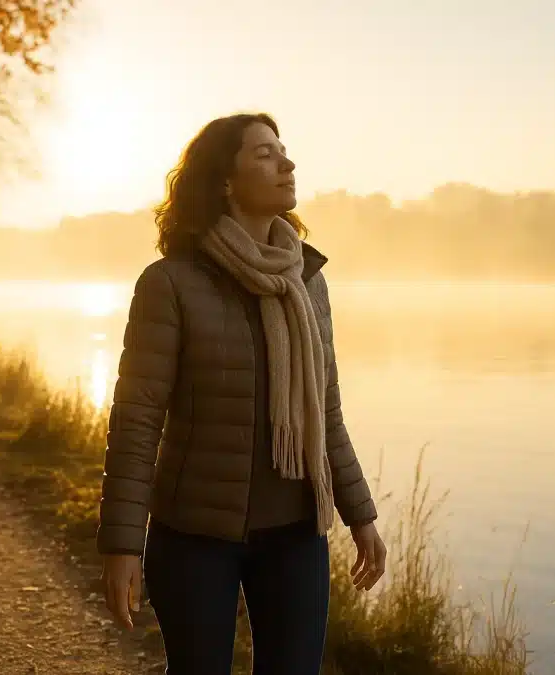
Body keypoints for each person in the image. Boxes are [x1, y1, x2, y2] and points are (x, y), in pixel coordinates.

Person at [97, 112, 386, 675]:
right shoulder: (171, 283)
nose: (287, 163)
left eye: (284, 151)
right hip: (195, 537)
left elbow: (325, 410)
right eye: (264, 154)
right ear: (224, 180)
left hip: (297, 534)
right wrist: (122, 544)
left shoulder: (307, 281)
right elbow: (137, 420)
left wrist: (361, 515)